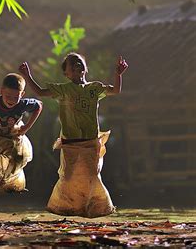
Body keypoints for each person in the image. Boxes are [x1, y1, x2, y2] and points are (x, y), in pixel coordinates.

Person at [19, 53, 128, 217]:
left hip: (90, 141)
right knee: (68, 176)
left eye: (80, 62)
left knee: (92, 175)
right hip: (70, 142)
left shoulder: (95, 88)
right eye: (72, 63)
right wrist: (27, 76)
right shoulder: (63, 89)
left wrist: (118, 75)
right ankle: (65, 207)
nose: (77, 64)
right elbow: (41, 92)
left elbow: (115, 90)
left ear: (85, 68)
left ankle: (94, 207)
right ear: (66, 74)